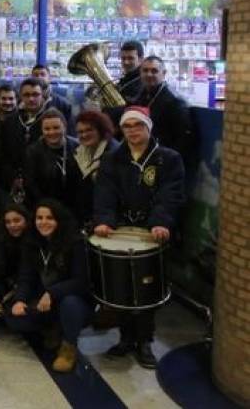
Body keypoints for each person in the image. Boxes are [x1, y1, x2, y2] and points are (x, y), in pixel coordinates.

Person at [93, 106, 185, 368]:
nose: (133, 131)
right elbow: (105, 192)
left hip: (151, 233)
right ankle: (125, 338)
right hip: (121, 230)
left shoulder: (168, 158)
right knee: (121, 287)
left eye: (138, 125)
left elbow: (171, 194)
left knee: (145, 290)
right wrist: (104, 221)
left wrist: (160, 223)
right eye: (127, 127)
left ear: (148, 127)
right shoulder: (112, 158)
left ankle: (144, 341)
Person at [6, 198, 91, 373]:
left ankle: (68, 348)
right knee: (13, 318)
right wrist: (19, 300)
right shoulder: (31, 242)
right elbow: (26, 277)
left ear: (58, 220)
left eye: (49, 218)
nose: (43, 222)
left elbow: (81, 282)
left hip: (72, 300)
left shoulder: (75, 242)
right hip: (45, 302)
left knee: (70, 304)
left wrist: (52, 293)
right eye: (39, 218)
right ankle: (52, 328)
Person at [130, 56, 192, 158]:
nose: (149, 74)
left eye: (154, 71)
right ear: (140, 73)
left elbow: (183, 139)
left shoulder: (175, 101)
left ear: (163, 74)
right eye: (145, 70)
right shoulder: (140, 97)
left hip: (164, 159)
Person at [0, 78, 49, 197]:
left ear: (42, 96)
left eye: (35, 94)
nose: (31, 99)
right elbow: (4, 154)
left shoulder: (50, 121)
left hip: (43, 183)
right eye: (26, 95)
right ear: (20, 97)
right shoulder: (10, 121)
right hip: (14, 183)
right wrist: (14, 178)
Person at [24, 109, 79, 210]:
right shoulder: (33, 152)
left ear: (65, 127)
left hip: (75, 205)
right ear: (42, 130)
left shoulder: (78, 147)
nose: (52, 132)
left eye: (56, 128)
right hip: (45, 207)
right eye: (47, 129)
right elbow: (31, 185)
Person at [72, 110, 118, 227]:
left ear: (101, 130)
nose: (84, 135)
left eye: (89, 130)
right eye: (80, 132)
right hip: (89, 216)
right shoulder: (79, 152)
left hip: (111, 218)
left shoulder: (114, 152)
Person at [0, 203, 32, 306]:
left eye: (17, 220)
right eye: (8, 222)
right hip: (10, 283)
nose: (12, 225)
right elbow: (1, 269)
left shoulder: (34, 242)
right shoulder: (3, 240)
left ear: (26, 220)